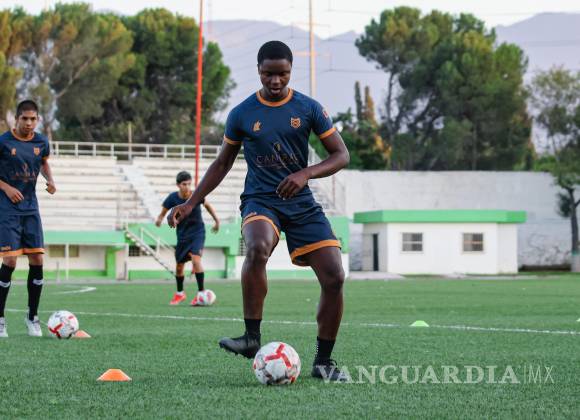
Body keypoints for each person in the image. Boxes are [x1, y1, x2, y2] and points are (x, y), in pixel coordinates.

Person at [168, 41, 350, 381]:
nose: (275, 80)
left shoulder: (309, 108)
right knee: (257, 246)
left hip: (301, 202)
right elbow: (222, 163)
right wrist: (191, 203)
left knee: (335, 277)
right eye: (268, 74)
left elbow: (341, 155)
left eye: (283, 74)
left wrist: (305, 174)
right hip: (260, 199)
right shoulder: (242, 113)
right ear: (258, 71)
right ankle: (252, 337)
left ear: (291, 71)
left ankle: (323, 361)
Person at [0, 100, 56, 338]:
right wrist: (6, 188)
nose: (29, 123)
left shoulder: (41, 142)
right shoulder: (4, 141)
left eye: (33, 119)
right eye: (25, 118)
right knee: (10, 261)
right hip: (7, 209)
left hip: (31, 208)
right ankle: (0, 319)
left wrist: (50, 180)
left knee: (37, 259)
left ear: (38, 120)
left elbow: (43, 162)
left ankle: (32, 317)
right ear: (17, 119)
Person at [156, 171, 220, 306]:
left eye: (189, 184)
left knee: (196, 259)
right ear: (178, 185)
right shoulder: (172, 198)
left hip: (197, 232)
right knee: (179, 266)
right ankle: (180, 293)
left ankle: (201, 293)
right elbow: (163, 212)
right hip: (182, 235)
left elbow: (208, 206)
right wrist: (159, 220)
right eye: (184, 184)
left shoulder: (196, 195)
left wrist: (216, 220)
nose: (187, 187)